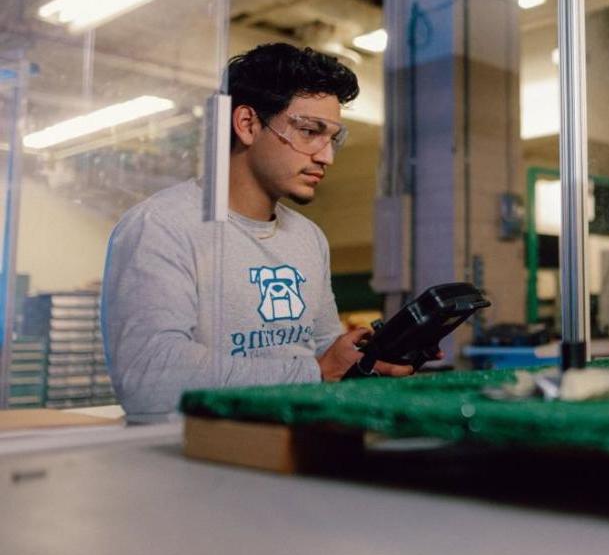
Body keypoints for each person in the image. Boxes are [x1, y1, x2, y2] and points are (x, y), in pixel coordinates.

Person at [101, 43, 413, 420]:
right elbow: (149, 381)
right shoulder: (161, 226)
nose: (326, 156)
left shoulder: (308, 238)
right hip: (197, 460)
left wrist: (372, 358)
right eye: (310, 131)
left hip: (292, 447)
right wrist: (315, 371)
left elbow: (323, 352)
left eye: (333, 138)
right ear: (247, 124)